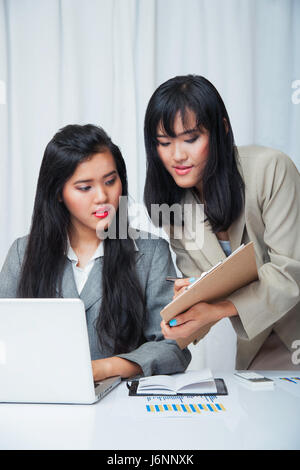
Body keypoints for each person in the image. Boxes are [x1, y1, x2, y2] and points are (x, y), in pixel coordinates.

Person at [0, 124, 191, 381]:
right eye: (84, 187)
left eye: (110, 181)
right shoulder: (23, 253)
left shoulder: (151, 253)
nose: (102, 196)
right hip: (42, 402)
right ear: (59, 193)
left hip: (121, 405)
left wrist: (104, 368)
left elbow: (173, 347)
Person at [143, 74, 300, 370]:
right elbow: (205, 295)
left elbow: (290, 273)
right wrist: (182, 316)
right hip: (257, 346)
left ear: (221, 130)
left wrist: (215, 309)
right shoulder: (176, 210)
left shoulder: (271, 169)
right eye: (164, 142)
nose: (178, 155)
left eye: (191, 139)